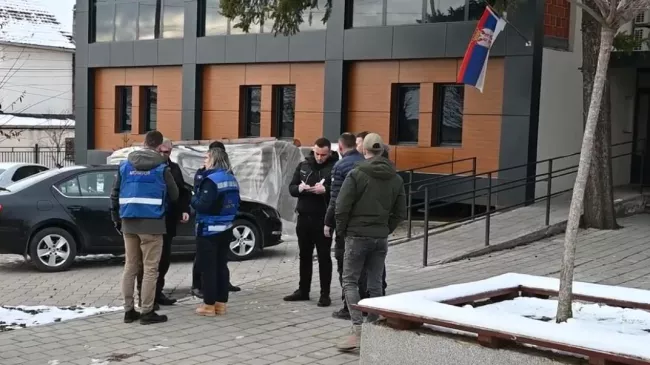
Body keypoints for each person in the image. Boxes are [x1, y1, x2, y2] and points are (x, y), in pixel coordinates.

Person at [335, 133, 407, 351]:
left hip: (356, 236)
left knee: (350, 281)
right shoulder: (395, 178)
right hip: (379, 237)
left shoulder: (356, 174)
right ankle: (374, 324)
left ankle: (358, 329)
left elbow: (341, 206)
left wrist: (343, 231)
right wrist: (385, 230)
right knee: (375, 282)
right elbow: (400, 212)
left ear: (363, 150)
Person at [110, 130, 179, 325]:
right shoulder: (161, 167)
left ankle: (128, 310)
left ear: (144, 143)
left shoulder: (124, 166)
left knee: (130, 267)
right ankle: (147, 311)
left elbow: (114, 194)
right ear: (159, 146)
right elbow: (174, 195)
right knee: (150, 269)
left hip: (128, 222)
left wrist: (116, 218)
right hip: (153, 223)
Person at [136, 139, 191, 309]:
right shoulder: (149, 167)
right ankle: (144, 296)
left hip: (168, 219)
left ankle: (157, 292)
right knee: (146, 261)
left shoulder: (173, 168)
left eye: (167, 152)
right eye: (161, 151)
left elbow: (182, 191)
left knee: (164, 259)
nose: (163, 154)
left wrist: (184, 209)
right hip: (150, 219)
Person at [284, 137, 338, 307]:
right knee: (304, 256)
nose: (319, 157)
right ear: (313, 151)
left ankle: (325, 294)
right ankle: (303, 290)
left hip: (323, 219)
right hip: (304, 217)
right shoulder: (304, 165)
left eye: (323, 154)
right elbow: (291, 188)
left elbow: (340, 191)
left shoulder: (334, 168)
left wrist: (326, 190)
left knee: (324, 257)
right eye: (317, 153)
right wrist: (299, 189)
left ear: (329, 153)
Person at [192, 147, 241, 316]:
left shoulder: (211, 180)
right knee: (221, 266)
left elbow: (203, 205)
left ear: (214, 159)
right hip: (226, 228)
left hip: (209, 230)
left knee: (208, 268)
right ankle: (221, 303)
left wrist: (193, 196)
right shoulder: (231, 179)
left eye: (206, 158)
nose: (204, 161)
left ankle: (208, 305)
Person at [324, 133, 366, 320]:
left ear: (340, 148)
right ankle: (366, 303)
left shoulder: (340, 166)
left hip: (347, 225)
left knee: (345, 265)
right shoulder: (366, 163)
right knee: (365, 267)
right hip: (365, 224)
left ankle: (348, 306)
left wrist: (328, 223)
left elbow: (336, 199)